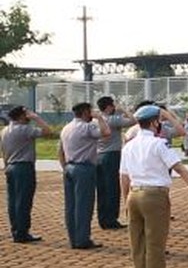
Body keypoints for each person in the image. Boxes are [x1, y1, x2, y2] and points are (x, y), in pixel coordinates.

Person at [120, 105, 188, 268]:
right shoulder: (159, 144)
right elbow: (180, 168)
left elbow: (124, 176)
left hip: (134, 195)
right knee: (155, 249)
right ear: (155, 122)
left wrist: (125, 201)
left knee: (138, 249)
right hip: (154, 196)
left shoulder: (129, 145)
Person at [59, 102, 110, 249]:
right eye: (90, 111)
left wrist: (65, 167)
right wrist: (100, 118)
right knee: (84, 205)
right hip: (84, 168)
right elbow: (106, 133)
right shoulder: (87, 127)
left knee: (71, 206)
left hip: (69, 167)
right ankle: (82, 239)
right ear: (85, 112)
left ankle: (73, 238)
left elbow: (60, 150)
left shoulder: (66, 128)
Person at [1, 106, 51, 243]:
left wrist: (6, 167)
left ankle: (16, 230)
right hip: (23, 167)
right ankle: (22, 232)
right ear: (22, 116)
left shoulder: (5, 130)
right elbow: (47, 131)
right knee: (24, 201)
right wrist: (36, 118)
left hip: (10, 166)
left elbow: (4, 152)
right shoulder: (25, 129)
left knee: (13, 201)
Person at [94, 96, 136, 230]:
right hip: (112, 155)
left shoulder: (96, 120)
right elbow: (133, 120)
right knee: (112, 188)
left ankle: (103, 218)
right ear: (108, 107)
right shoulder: (112, 119)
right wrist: (123, 109)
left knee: (102, 189)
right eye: (112, 105)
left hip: (98, 155)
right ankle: (111, 219)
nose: (114, 108)